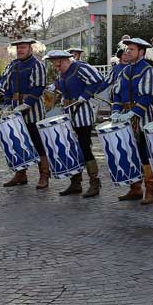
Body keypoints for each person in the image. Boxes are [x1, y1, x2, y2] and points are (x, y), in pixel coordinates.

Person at [46, 49, 107, 197]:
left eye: (57, 63)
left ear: (65, 60)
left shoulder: (81, 68)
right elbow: (64, 86)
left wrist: (84, 95)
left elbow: (99, 80)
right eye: (54, 64)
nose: (56, 67)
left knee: (85, 147)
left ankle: (94, 182)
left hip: (82, 113)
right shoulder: (63, 72)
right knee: (71, 147)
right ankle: (75, 182)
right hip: (68, 113)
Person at [108, 37, 153, 204]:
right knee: (130, 152)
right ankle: (135, 188)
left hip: (143, 118)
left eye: (132, 50)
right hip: (125, 118)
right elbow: (118, 95)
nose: (128, 52)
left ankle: (150, 190)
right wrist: (115, 111)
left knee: (144, 154)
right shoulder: (124, 70)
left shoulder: (147, 70)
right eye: (127, 49)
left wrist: (134, 113)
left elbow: (148, 95)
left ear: (141, 52)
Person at [0, 37, 50, 189]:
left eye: (23, 47)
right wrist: (7, 105)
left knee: (38, 143)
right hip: (15, 111)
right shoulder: (12, 65)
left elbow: (38, 87)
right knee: (18, 142)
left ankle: (44, 175)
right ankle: (21, 174)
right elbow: (7, 87)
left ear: (31, 49)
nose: (20, 50)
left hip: (34, 111)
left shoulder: (37, 64)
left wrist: (26, 104)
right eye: (18, 48)